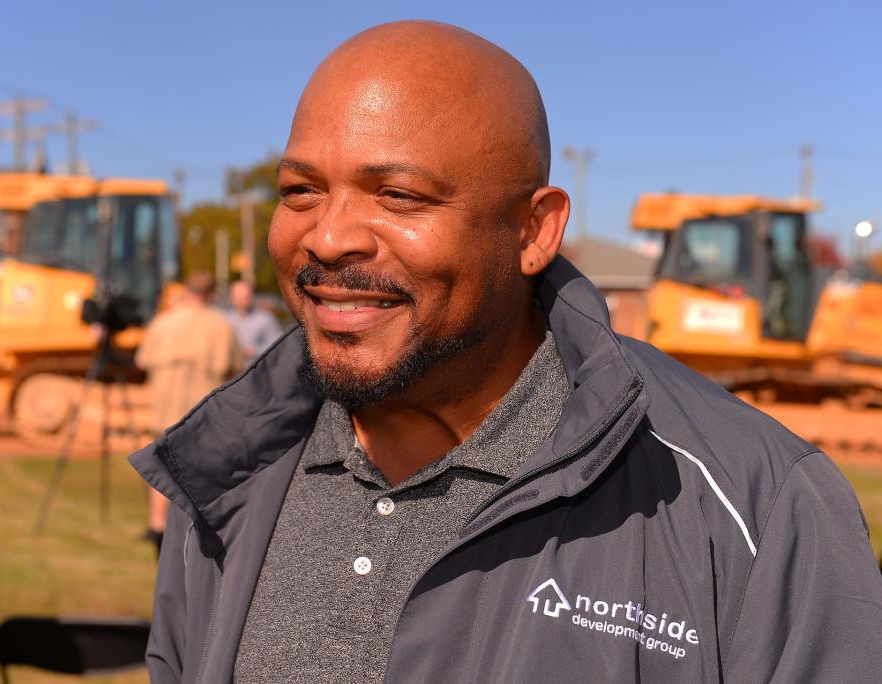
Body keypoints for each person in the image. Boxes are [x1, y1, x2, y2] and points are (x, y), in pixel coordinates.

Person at [131, 21, 882, 682]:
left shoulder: (755, 505)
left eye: (398, 196)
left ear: (532, 232)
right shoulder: (230, 477)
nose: (327, 237)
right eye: (300, 190)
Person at [134, 270, 242, 552]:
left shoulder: (164, 322)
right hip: (203, 414)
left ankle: (157, 526)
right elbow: (236, 369)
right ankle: (194, 534)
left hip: (166, 408)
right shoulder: (221, 326)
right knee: (200, 474)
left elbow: (142, 360)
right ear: (209, 295)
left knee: (164, 469)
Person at [223, 280, 283, 365]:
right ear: (231, 298)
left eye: (246, 297)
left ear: (252, 296)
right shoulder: (224, 319)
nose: (243, 301)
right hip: (231, 373)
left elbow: (278, 345)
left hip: (256, 371)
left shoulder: (265, 319)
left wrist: (254, 351)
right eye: (239, 298)